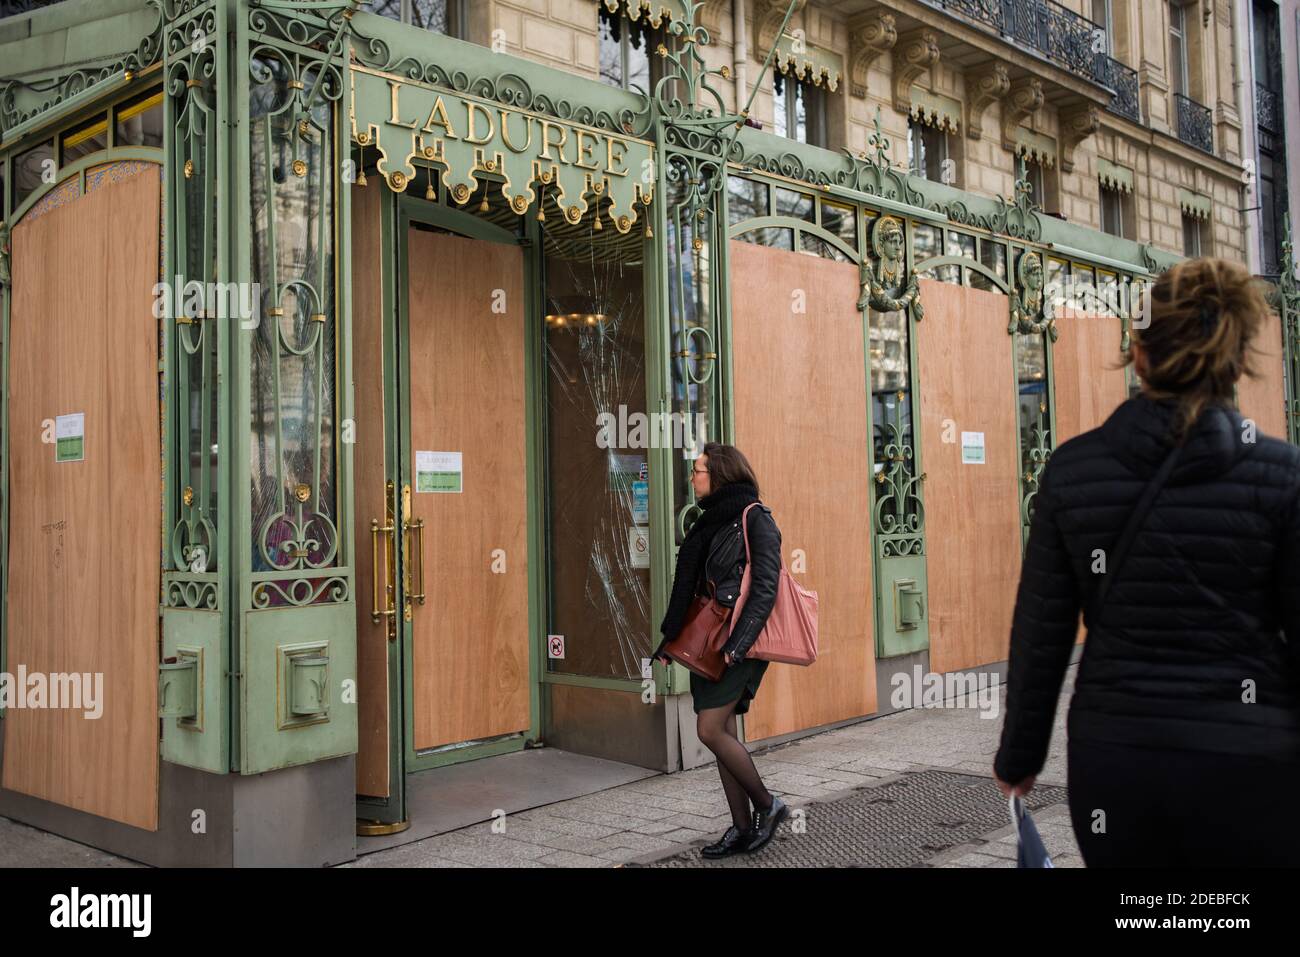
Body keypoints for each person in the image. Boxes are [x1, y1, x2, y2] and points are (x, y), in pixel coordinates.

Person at [992, 257, 1300, 866]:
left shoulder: (1074, 470)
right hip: (1251, 762)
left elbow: (1042, 632)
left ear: (1139, 354)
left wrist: (1019, 758)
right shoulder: (1282, 475)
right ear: (1233, 362)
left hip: (1119, 761)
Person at [650, 442, 788, 857]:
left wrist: (738, 645)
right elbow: (690, 588)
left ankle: (768, 805)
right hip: (707, 643)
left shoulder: (754, 517)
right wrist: (671, 638)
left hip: (737, 645)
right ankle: (742, 828)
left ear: (720, 474)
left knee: (709, 729)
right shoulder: (707, 521)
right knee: (722, 732)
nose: (693, 478)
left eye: (698, 471)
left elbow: (766, 587)